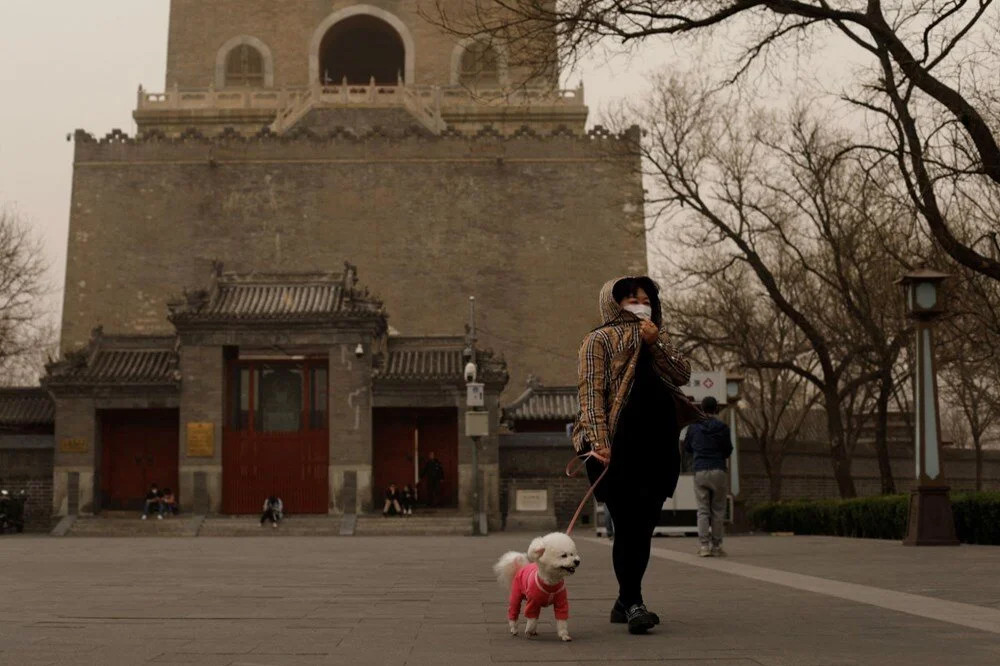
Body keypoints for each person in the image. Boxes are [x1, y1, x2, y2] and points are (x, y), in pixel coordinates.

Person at [572, 276, 703, 635]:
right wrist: (599, 441)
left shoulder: (657, 338)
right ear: (614, 302)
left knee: (643, 527)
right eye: (632, 298)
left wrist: (654, 342)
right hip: (619, 444)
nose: (640, 304)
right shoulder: (597, 340)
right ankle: (633, 602)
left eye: (646, 299)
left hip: (658, 442)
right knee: (627, 524)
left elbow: (683, 373)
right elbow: (591, 394)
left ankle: (624, 599)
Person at [684, 396, 734, 557]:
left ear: (701, 408)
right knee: (718, 510)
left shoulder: (694, 427)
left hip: (700, 470)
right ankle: (717, 546)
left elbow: (687, 448)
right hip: (718, 470)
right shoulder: (723, 427)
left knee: (703, 510)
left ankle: (704, 546)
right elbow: (728, 450)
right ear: (716, 409)